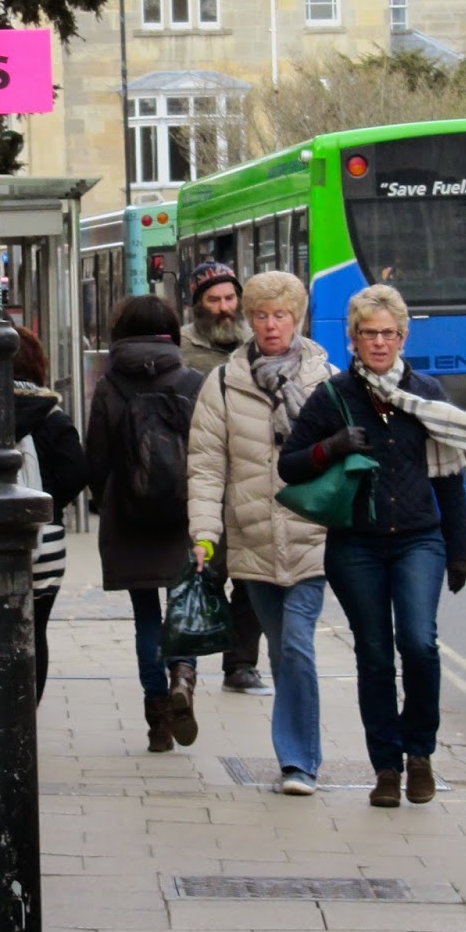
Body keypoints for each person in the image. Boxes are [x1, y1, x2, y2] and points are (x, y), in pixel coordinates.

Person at [279, 282, 466, 809]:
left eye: (388, 334)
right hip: (356, 546)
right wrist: (333, 446)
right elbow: (290, 465)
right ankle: (387, 768)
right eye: (368, 334)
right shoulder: (333, 397)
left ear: (403, 336)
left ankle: (420, 753)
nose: (378, 343)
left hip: (420, 538)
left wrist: (459, 547)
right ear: (352, 339)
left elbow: (449, 478)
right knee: (373, 656)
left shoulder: (427, 396)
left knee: (418, 643)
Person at [187, 271, 331, 794]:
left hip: (311, 536)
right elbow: (206, 467)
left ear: (297, 319)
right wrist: (204, 534)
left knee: (296, 643)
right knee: (278, 646)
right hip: (250, 539)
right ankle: (294, 754)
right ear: (250, 320)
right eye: (262, 316)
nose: (271, 326)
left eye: (281, 316)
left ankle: (299, 762)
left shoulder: (326, 381)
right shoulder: (224, 383)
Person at [85, 295, 204, 752]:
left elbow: (96, 458)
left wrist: (106, 502)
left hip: (128, 515)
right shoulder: (193, 381)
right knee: (184, 607)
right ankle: (183, 678)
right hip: (184, 514)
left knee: (145, 617)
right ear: (172, 330)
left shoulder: (111, 385)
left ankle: (157, 718)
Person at [179, 260, 268, 695]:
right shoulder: (181, 348)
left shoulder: (256, 347)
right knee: (203, 576)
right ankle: (185, 665)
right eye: (213, 300)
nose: (224, 307)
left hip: (252, 481)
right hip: (205, 480)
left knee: (251, 581)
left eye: (230, 298)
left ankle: (241, 665)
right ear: (197, 304)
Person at [12, 326, 89, 703]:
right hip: (48, 538)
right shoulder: (52, 415)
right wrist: (50, 502)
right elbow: (77, 469)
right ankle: (28, 714)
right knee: (35, 629)